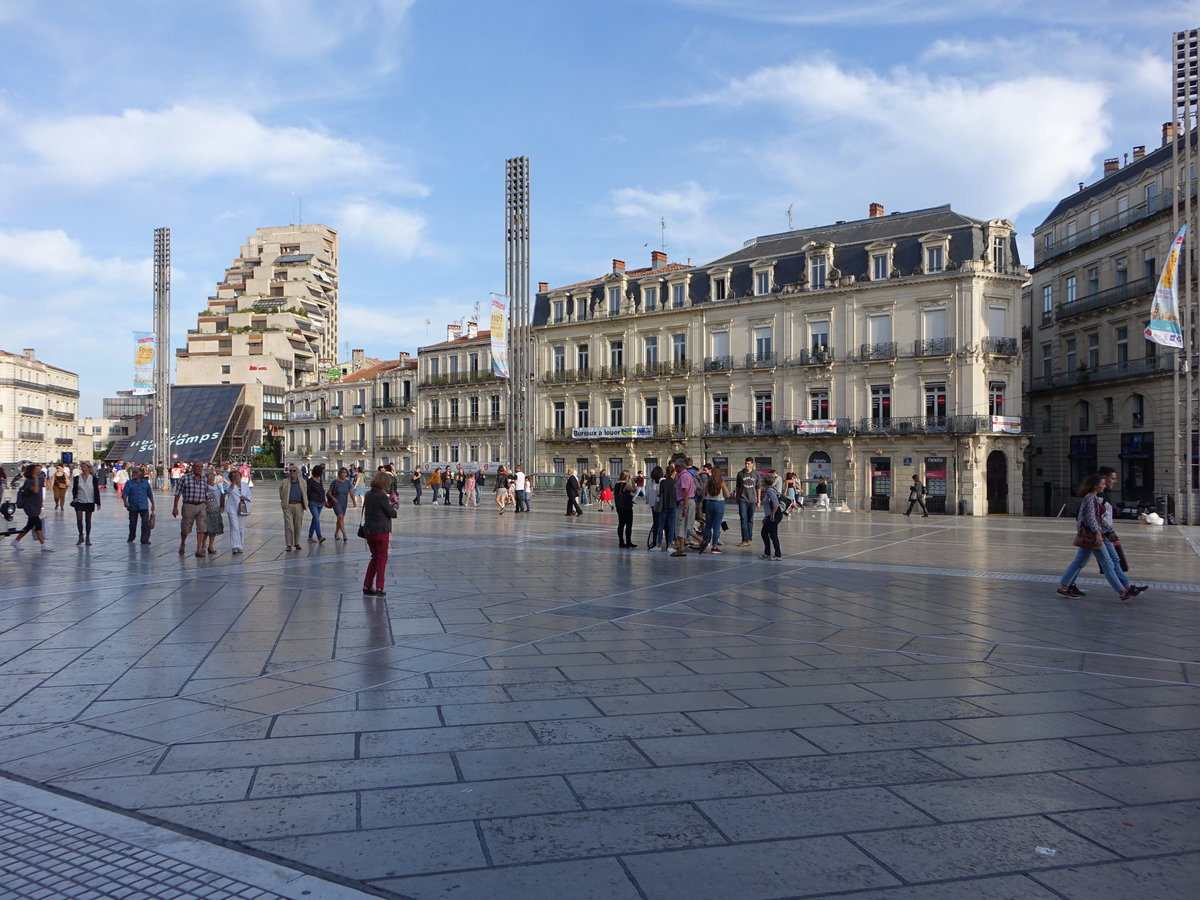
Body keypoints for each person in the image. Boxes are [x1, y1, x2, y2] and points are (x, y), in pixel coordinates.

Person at [1056, 473, 1139, 602]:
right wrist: (1098, 533)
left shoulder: (1093, 498)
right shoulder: (1090, 499)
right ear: (1095, 485)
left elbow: (1099, 519)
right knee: (1107, 564)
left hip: (1091, 535)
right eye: (1102, 483)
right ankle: (1122, 591)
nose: (1104, 486)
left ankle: (1064, 587)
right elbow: (1092, 519)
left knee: (1079, 562)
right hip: (1093, 536)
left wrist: (1110, 530)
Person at [362, 470, 398, 596]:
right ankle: (380, 587)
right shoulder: (382, 496)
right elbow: (390, 513)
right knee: (382, 558)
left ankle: (367, 585)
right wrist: (394, 508)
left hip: (369, 531)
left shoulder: (368, 494)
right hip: (381, 531)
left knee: (374, 557)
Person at [9, 464, 51, 550]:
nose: (39, 471)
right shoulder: (29, 481)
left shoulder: (37, 480)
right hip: (30, 506)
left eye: (40, 469)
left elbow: (39, 494)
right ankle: (43, 544)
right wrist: (35, 478)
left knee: (29, 525)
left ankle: (16, 541)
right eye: (37, 470)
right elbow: (35, 491)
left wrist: (41, 503)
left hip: (36, 505)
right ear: (32, 471)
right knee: (37, 523)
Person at [172, 460, 209, 557]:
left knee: (201, 528)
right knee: (185, 528)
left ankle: (199, 548)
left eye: (201, 467)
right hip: (189, 505)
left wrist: (206, 503)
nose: (199, 469)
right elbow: (177, 493)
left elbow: (206, 492)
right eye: (197, 467)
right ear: (193, 468)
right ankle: (183, 543)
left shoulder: (204, 479)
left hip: (201, 505)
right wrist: (175, 507)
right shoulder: (185, 478)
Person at [698, 466, 729, 554]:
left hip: (709, 503)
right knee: (716, 526)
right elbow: (727, 494)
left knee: (708, 526)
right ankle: (714, 547)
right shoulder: (721, 482)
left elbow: (704, 492)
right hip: (719, 503)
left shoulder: (708, 482)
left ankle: (704, 544)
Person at [121, 466, 155, 544]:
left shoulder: (146, 483)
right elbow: (124, 493)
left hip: (143, 506)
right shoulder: (129, 483)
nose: (134, 474)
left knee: (145, 523)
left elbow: (150, 494)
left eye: (136, 472)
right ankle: (131, 537)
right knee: (132, 523)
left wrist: (153, 504)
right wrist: (125, 501)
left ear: (141, 473)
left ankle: (145, 539)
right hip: (133, 506)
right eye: (133, 472)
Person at [71, 461, 101, 546]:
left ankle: (88, 537)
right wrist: (74, 497)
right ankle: (81, 535)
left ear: (88, 468)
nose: (83, 469)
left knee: (88, 520)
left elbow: (96, 490)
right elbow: (74, 489)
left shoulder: (93, 478)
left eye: (85, 467)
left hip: (90, 500)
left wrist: (98, 502)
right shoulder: (77, 478)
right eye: (82, 467)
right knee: (79, 519)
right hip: (80, 500)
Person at [673, 459, 697, 556]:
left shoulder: (683, 476)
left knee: (680, 525)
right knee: (685, 526)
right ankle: (682, 548)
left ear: (680, 467)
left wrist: (685, 507)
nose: (675, 468)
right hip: (690, 501)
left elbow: (685, 492)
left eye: (676, 466)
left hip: (685, 502)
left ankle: (683, 548)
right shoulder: (688, 475)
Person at [225, 467, 251, 554]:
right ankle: (235, 546)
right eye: (233, 476)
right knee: (234, 527)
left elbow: (250, 496)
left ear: (240, 476)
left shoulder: (245, 485)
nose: (236, 478)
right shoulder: (230, 485)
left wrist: (246, 498)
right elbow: (229, 491)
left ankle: (240, 545)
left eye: (237, 476)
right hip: (232, 508)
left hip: (242, 507)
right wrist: (233, 482)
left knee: (241, 528)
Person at [279, 465, 306, 551]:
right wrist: (284, 502)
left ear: (298, 472)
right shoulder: (285, 482)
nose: (292, 472)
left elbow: (305, 493)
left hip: (299, 505)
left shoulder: (302, 482)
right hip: (288, 505)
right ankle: (289, 544)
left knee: (298, 525)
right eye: (290, 471)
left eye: (294, 471)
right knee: (289, 526)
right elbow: (281, 493)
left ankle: (297, 543)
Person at [734, 458, 760, 546]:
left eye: (748, 464)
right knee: (743, 519)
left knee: (750, 520)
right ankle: (745, 539)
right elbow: (737, 487)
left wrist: (759, 500)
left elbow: (758, 488)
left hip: (752, 500)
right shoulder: (740, 474)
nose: (746, 465)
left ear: (752, 464)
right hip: (743, 499)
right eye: (745, 463)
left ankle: (749, 538)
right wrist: (737, 497)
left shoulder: (756, 474)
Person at [760, 474, 783, 560]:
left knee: (773, 535)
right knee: (764, 533)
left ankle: (778, 555)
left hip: (775, 515)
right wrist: (766, 517)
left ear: (765, 482)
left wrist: (772, 514)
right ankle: (767, 553)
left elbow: (775, 504)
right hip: (770, 515)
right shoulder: (770, 490)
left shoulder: (770, 491)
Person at [327, 467, 352, 541]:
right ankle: (344, 534)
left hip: (344, 502)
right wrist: (333, 498)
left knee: (340, 518)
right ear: (339, 473)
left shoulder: (348, 482)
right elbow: (329, 492)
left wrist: (354, 501)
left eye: (344, 472)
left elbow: (351, 492)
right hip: (336, 502)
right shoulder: (335, 482)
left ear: (347, 474)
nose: (343, 474)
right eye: (341, 472)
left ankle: (336, 533)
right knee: (340, 516)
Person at [658, 463, 678, 552]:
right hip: (673, 505)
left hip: (664, 506)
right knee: (671, 526)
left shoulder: (662, 482)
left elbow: (660, 493)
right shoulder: (676, 482)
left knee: (661, 525)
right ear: (673, 473)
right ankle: (669, 545)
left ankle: (658, 545)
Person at [203, 471, 224, 555]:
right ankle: (203, 545)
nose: (211, 479)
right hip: (206, 511)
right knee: (205, 529)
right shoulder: (204, 487)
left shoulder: (218, 486)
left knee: (214, 529)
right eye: (209, 477)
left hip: (216, 510)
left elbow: (222, 496)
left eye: (213, 477)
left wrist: (222, 506)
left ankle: (211, 545)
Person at [614, 470, 636, 548]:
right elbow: (634, 489)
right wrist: (632, 479)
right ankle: (628, 541)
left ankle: (621, 541)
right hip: (627, 507)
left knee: (621, 524)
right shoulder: (625, 485)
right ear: (627, 476)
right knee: (628, 524)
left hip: (619, 507)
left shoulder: (616, 484)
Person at [305, 464, 327, 543]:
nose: (322, 472)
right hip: (313, 502)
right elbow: (308, 492)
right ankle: (319, 537)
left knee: (315, 519)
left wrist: (324, 500)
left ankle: (310, 536)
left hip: (321, 502)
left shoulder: (319, 480)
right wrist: (310, 499)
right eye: (322, 471)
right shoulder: (310, 481)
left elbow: (322, 490)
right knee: (316, 518)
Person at [645, 465, 662, 549]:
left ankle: (655, 542)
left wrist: (648, 501)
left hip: (653, 504)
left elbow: (647, 494)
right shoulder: (663, 481)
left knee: (656, 524)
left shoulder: (649, 482)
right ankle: (661, 541)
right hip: (661, 505)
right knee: (663, 524)